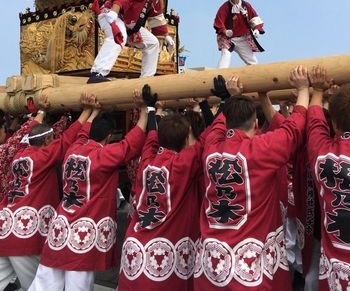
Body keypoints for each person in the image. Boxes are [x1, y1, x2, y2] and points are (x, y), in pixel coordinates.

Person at [194, 65, 310, 290]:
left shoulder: (211, 148)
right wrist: (304, 89)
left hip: (212, 261)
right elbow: (293, 130)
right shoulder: (259, 149)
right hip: (250, 267)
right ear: (256, 124)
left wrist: (231, 99)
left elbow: (219, 126)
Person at [28, 94, 148, 291]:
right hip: (83, 233)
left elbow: (82, 134)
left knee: (44, 284)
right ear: (109, 137)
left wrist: (92, 111)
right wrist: (144, 112)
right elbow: (130, 145)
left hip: (61, 227)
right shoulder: (103, 155)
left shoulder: (73, 149)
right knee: (78, 286)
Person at [0, 93, 100, 291]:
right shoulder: (43, 156)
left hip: (3, 227)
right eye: (52, 139)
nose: (55, 141)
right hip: (25, 234)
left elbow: (24, 134)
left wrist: (42, 111)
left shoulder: (18, 153)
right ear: (46, 142)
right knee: (42, 287)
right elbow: (69, 137)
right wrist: (90, 112)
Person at [118, 85, 204, 290]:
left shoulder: (147, 162)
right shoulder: (183, 164)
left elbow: (151, 138)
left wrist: (152, 110)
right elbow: (202, 143)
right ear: (186, 138)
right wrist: (198, 108)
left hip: (136, 247)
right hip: (164, 254)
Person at [87, 0, 175, 83]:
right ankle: (97, 73)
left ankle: (146, 81)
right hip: (112, 14)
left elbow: (156, 17)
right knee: (119, 36)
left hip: (129, 26)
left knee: (153, 43)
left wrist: (166, 35)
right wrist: (113, 13)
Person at [306, 65, 350, 290]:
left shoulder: (323, 155)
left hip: (336, 272)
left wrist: (317, 89)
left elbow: (314, 122)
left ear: (333, 123)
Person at [213, 0, 265, 67]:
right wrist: (225, 31)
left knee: (253, 62)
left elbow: (254, 18)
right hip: (228, 39)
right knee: (225, 55)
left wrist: (256, 29)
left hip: (243, 38)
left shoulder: (246, 5)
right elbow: (219, 21)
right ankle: (219, 77)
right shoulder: (224, 7)